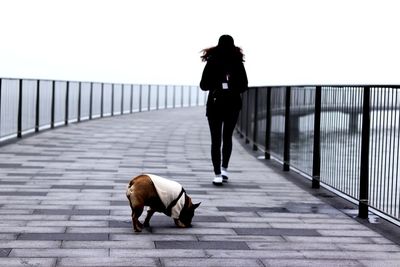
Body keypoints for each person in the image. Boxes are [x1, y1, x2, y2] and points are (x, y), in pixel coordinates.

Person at [199, 35, 248, 185]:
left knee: (216, 140)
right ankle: (224, 169)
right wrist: (230, 87)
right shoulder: (237, 62)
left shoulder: (212, 61)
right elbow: (244, 85)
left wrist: (217, 85)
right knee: (227, 138)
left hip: (215, 105)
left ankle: (217, 173)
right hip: (232, 105)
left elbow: (203, 85)